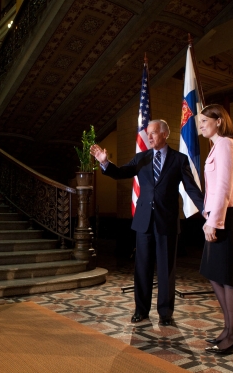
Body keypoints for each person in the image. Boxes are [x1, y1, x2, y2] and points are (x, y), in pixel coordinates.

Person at [90, 119, 204, 326]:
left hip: (167, 222)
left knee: (166, 269)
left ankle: (165, 313)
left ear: (164, 134)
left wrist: (206, 209)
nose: (149, 137)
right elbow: (121, 173)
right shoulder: (141, 158)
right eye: (147, 133)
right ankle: (141, 310)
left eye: (153, 133)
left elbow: (191, 188)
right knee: (142, 267)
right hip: (144, 222)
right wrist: (105, 162)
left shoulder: (179, 160)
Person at [198, 104, 233, 354]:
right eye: (200, 122)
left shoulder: (227, 144)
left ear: (219, 121)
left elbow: (224, 187)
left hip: (227, 217)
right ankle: (228, 329)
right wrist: (208, 216)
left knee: (228, 279)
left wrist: (213, 221)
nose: (201, 125)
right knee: (215, 274)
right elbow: (213, 189)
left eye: (205, 120)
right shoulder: (217, 147)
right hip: (216, 216)